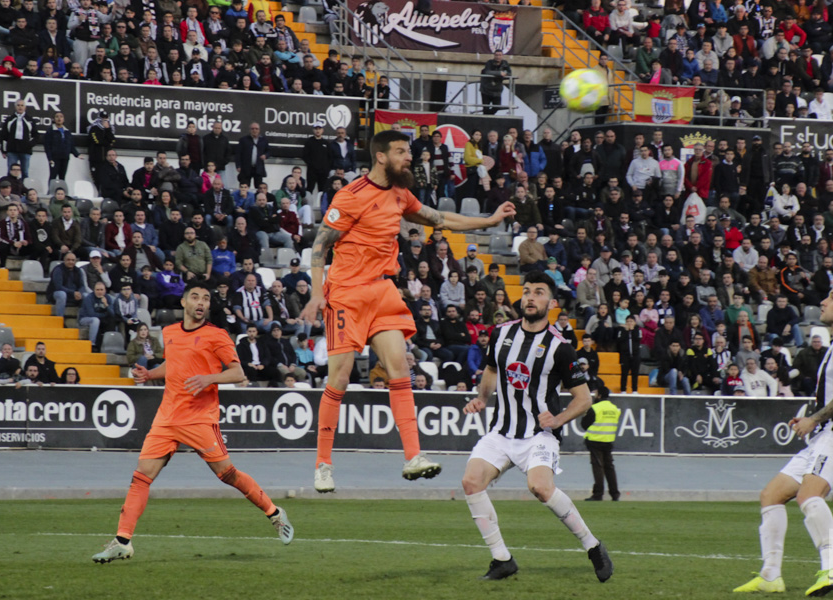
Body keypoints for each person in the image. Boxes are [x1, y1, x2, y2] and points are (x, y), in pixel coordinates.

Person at [301, 129, 517, 492]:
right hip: (347, 295)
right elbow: (321, 244)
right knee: (339, 379)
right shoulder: (350, 196)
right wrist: (316, 293)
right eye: (401, 151)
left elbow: (440, 220)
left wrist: (489, 222)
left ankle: (413, 456)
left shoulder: (400, 194)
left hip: (383, 290)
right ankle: (323, 463)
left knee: (400, 367)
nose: (408, 157)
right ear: (381, 156)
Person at [92, 280, 294, 563]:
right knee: (141, 476)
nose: (201, 302)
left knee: (227, 474)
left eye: (206, 298)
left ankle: (274, 512)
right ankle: (123, 540)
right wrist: (150, 375)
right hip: (168, 417)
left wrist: (209, 378)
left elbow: (238, 373)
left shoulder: (217, 335)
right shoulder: (170, 332)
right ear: (184, 302)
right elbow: (174, 365)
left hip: (200, 418)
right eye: (195, 297)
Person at [460, 270, 614, 581]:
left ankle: (593, 546)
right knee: (471, 482)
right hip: (501, 432)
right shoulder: (501, 333)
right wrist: (482, 397)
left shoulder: (561, 347)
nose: (530, 296)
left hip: (538, 435)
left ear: (551, 302)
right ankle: (502, 559)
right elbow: (491, 369)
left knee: (541, 488)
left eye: (539, 292)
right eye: (527, 291)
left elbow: (583, 399)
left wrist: (557, 420)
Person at [734, 281, 833, 596]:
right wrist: (813, 417)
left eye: (832, 297)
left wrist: (814, 419)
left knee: (809, 496)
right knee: (771, 495)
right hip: (826, 434)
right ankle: (770, 575)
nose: (823, 302)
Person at [581, 385, 619, 501]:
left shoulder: (595, 408)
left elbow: (584, 424)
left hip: (595, 440)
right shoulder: (614, 409)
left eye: (596, 394)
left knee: (598, 467)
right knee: (609, 467)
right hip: (608, 441)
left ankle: (598, 494)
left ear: (600, 395)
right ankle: (615, 494)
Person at [2, 101, 37, 177]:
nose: (20, 107)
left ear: (25, 107)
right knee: (10, 172)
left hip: (25, 150)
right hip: (12, 150)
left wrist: (30, 145)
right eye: (18, 105)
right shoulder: (9, 119)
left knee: (25, 172)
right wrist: (4, 150)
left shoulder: (30, 120)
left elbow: (36, 135)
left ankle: (23, 188)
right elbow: (4, 135)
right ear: (15, 107)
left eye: (22, 105)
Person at [44, 111, 81, 181]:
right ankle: (51, 192)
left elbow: (71, 145)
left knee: (62, 177)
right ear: (54, 119)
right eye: (57, 116)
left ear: (63, 119)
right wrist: (50, 159)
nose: (59, 118)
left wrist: (77, 154)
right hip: (55, 158)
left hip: (65, 158)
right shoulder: (50, 131)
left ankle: (61, 191)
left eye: (61, 116)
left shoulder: (67, 131)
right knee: (53, 177)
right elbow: (47, 146)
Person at [236, 122, 269, 188]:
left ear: (259, 130)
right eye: (252, 129)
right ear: (250, 130)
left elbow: (269, 151)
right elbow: (238, 154)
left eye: (256, 129)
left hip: (258, 168)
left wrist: (265, 155)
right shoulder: (243, 140)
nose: (254, 130)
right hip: (246, 168)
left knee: (259, 187)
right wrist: (238, 166)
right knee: (245, 186)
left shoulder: (263, 140)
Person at [617, 314, 641, 392]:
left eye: (631, 321)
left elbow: (638, 339)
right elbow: (619, 340)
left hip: (635, 356)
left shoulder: (638, 330)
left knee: (635, 374)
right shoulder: (621, 330)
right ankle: (623, 390)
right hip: (625, 356)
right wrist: (626, 331)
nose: (629, 323)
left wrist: (632, 330)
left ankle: (634, 390)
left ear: (635, 322)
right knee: (624, 374)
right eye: (627, 321)